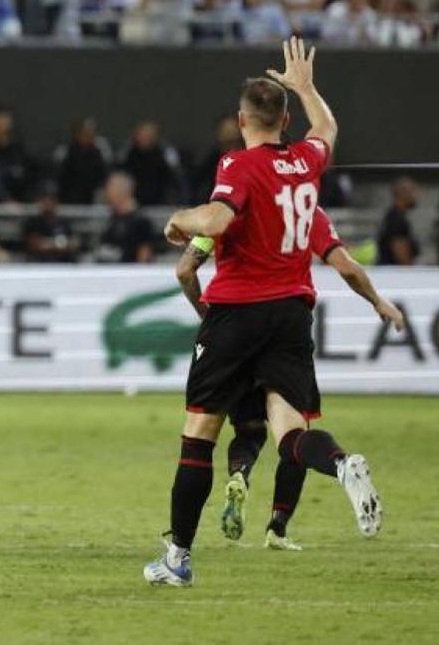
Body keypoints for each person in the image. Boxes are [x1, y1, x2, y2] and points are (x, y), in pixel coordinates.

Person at [147, 38, 381, 588]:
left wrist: (178, 218)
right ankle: (342, 463)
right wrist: (307, 87)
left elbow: (219, 220)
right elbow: (327, 131)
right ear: (284, 118)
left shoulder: (239, 164)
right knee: (289, 432)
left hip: (238, 312)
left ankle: (178, 560)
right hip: (292, 314)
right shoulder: (307, 160)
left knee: (199, 434)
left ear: (241, 119)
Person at [176, 212, 405, 551]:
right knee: (293, 437)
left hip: (233, 321)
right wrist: (379, 301)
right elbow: (346, 267)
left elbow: (184, 270)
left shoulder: (229, 207)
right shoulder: (306, 207)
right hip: (287, 321)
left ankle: (180, 553)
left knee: (230, 430)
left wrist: (206, 317)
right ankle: (339, 467)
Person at [118, 121, 184, 206]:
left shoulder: (165, 150)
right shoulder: (128, 152)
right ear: (136, 136)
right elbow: (120, 173)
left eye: (149, 135)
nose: (146, 138)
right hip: (133, 197)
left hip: (160, 197)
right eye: (143, 135)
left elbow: (176, 175)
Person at [98, 172, 156, 263]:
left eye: (110, 187)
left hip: (127, 273)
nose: (106, 192)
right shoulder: (112, 218)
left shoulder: (140, 221)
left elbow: (145, 255)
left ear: (120, 190)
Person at [377, 177, 420, 265]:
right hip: (395, 274)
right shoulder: (396, 219)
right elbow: (402, 256)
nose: (416, 195)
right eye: (412, 191)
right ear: (402, 193)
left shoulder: (394, 216)